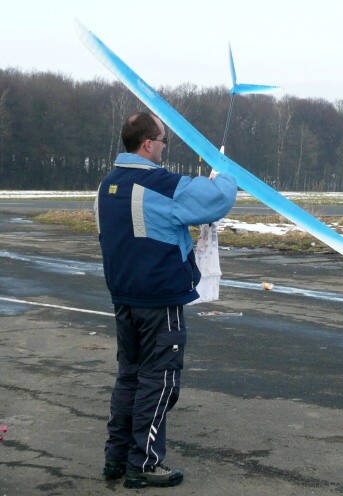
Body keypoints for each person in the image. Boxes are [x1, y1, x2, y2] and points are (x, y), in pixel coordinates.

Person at [95, 112, 237, 488]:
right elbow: (218, 200)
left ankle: (118, 458)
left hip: (124, 297)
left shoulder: (106, 184)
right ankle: (143, 463)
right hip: (159, 300)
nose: (163, 147)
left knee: (130, 376)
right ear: (147, 143)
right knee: (159, 382)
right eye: (163, 141)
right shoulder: (158, 184)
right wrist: (225, 173)